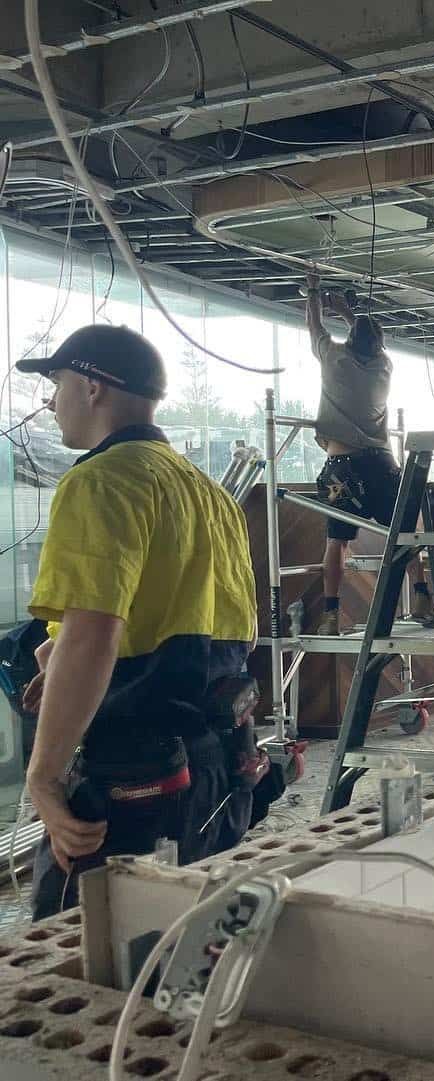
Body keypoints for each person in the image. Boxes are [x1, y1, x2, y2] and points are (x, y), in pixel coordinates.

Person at [17, 324, 259, 918]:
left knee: (80, 943)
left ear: (92, 386)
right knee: (185, 941)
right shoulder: (208, 492)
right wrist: (60, 656)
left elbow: (94, 635)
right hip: (212, 768)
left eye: (57, 383)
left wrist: (44, 777)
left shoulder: (101, 481)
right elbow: (226, 631)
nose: (51, 402)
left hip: (134, 778)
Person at [305, 273, 433, 633]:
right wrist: (349, 313)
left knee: (337, 542)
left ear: (349, 340)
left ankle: (331, 615)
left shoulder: (333, 358)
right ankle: (422, 596)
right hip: (382, 463)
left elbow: (313, 326)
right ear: (379, 346)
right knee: (403, 535)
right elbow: (369, 340)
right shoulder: (384, 367)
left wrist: (314, 291)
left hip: (342, 468)